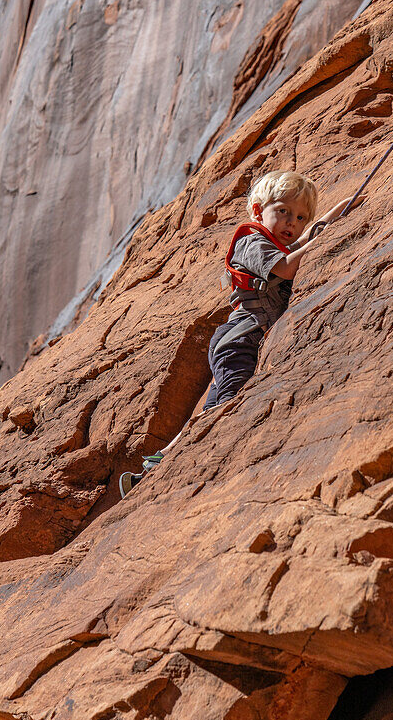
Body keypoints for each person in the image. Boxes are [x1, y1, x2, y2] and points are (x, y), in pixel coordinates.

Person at [118, 170, 357, 497]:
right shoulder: (251, 241)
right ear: (259, 211)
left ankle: (153, 469)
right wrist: (320, 238)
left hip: (241, 340)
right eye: (283, 211)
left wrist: (338, 210)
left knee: (211, 413)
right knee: (231, 407)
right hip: (240, 340)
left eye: (301, 217)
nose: (292, 222)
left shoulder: (277, 241)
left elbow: (300, 243)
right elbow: (288, 266)